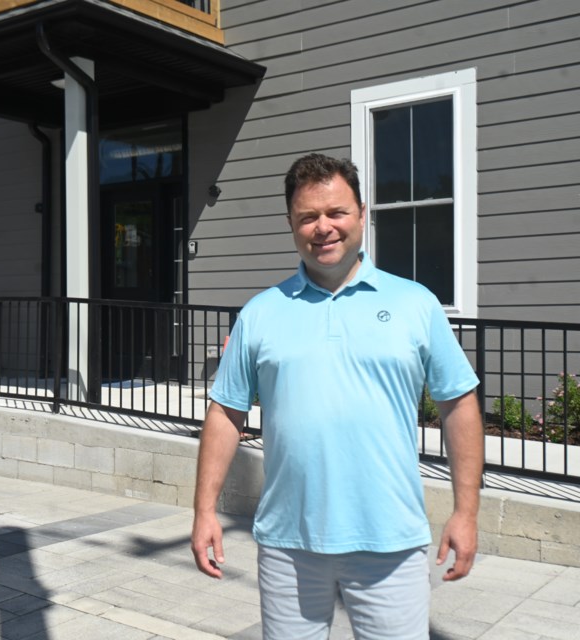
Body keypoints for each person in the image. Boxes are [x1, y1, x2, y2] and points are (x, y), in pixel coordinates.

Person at [191, 153, 484, 639]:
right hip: (288, 546)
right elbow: (226, 412)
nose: (323, 227)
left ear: (362, 214)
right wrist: (203, 511)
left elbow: (458, 404)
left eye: (336, 213)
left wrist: (466, 511)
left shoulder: (414, 304)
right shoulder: (261, 313)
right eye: (308, 216)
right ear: (291, 223)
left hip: (390, 543)